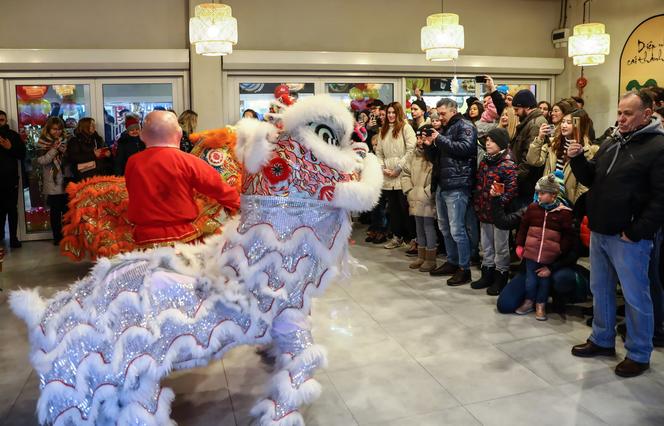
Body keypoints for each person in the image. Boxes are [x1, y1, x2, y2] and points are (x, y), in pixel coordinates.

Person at [568, 90, 664, 377]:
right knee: (601, 289)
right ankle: (602, 338)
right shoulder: (613, 140)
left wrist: (637, 231)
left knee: (636, 297)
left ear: (647, 114)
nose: (621, 118)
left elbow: (661, 199)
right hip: (600, 229)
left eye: (628, 113)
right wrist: (577, 160)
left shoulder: (658, 147)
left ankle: (638, 352)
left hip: (628, 236)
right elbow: (592, 178)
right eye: (619, 112)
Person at [124, 111, 240, 248]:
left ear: (143, 136)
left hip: (143, 239)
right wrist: (244, 204)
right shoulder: (188, 162)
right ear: (178, 134)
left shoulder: (133, 162)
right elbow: (219, 189)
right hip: (181, 239)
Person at [423, 98, 477, 285]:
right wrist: (429, 145)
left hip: (458, 184)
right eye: (438, 114)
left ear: (453, 110)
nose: (440, 117)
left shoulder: (465, 125)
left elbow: (466, 148)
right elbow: (436, 158)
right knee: (444, 228)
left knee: (457, 229)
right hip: (442, 183)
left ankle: (464, 268)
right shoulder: (445, 129)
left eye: (443, 113)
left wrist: (439, 138)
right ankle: (452, 261)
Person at [514, 174, 574, 320]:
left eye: (542, 193)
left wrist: (560, 249)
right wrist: (519, 245)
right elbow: (523, 227)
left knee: (544, 281)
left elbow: (568, 235)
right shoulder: (533, 208)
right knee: (531, 280)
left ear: (553, 195)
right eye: (537, 193)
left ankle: (541, 304)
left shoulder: (564, 213)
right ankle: (529, 301)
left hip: (549, 256)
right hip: (531, 253)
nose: (538, 196)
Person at [471, 128, 517, 294]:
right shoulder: (485, 161)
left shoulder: (507, 164)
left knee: (501, 247)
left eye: (491, 141)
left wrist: (499, 205)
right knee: (486, 246)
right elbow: (479, 185)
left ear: (501, 144)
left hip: (499, 214)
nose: (488, 143)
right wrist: (478, 203)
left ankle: (501, 276)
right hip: (484, 211)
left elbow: (511, 191)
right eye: (487, 140)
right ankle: (487, 274)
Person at [526, 109, 599, 205]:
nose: (564, 125)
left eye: (569, 123)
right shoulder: (553, 143)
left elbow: (584, 185)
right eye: (563, 122)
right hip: (547, 198)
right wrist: (539, 138)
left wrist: (573, 206)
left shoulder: (586, 150)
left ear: (579, 126)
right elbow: (533, 161)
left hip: (567, 203)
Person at [375, 102, 416, 249]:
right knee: (393, 210)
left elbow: (411, 150)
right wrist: (382, 167)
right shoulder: (383, 130)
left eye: (393, 112)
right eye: (388, 113)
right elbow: (378, 152)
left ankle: (413, 239)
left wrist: (399, 167)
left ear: (398, 113)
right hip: (387, 176)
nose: (391, 115)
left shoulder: (406, 127)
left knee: (406, 208)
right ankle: (397, 237)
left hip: (403, 174)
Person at [402, 125, 437, 272]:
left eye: (423, 137)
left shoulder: (433, 155)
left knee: (428, 227)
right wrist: (409, 190)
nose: (420, 140)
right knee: (418, 227)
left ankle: (430, 258)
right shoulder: (413, 155)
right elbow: (405, 173)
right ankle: (421, 256)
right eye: (418, 137)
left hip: (427, 198)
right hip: (414, 196)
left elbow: (436, 175)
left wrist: (428, 192)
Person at [510, 89, 549, 206]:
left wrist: (514, 179)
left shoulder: (535, 124)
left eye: (517, 109)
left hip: (527, 182)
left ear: (526, 107)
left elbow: (528, 159)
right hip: (525, 181)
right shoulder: (529, 122)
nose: (515, 113)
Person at [35, 117, 69, 245]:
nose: (58, 132)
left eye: (60, 129)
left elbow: (71, 158)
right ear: (48, 129)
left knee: (66, 211)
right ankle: (57, 237)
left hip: (66, 180)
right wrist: (54, 149)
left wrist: (64, 151)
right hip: (52, 181)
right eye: (55, 129)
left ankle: (67, 236)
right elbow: (41, 161)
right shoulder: (42, 142)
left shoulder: (66, 141)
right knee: (55, 212)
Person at [0, 110, 26, 248]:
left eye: (2, 120)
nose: (0, 122)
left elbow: (22, 154)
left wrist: (10, 147)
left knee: (11, 209)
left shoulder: (13, 136)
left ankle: (13, 238)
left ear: (6, 121)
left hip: (10, 180)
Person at [66, 118, 112, 182]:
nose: (94, 127)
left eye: (94, 125)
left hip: (100, 172)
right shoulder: (75, 140)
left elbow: (104, 149)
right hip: (84, 175)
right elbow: (73, 157)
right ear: (85, 126)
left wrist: (108, 154)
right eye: (91, 125)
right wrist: (93, 154)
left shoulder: (98, 138)